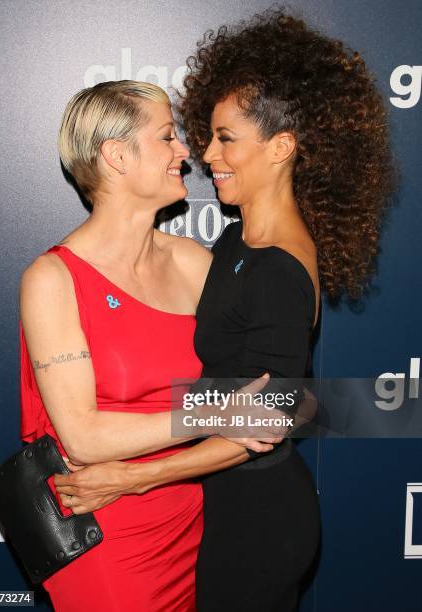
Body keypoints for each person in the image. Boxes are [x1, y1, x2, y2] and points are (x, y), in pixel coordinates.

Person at [54, 9, 396, 612]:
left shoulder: (283, 268)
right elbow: (238, 394)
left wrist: (126, 477)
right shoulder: (237, 243)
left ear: (282, 147)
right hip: (219, 507)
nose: (204, 153)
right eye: (205, 135)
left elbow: (261, 424)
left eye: (225, 138)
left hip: (260, 519)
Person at [20, 79, 281, 611]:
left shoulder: (192, 264)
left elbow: (273, 397)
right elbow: (84, 438)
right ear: (116, 156)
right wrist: (218, 415)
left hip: (193, 520)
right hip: (100, 532)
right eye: (167, 138)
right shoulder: (53, 279)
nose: (186, 152)